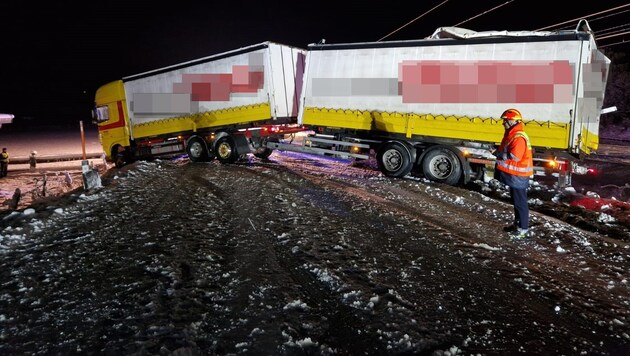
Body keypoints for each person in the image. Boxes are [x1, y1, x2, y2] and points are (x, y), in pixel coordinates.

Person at [494, 108, 534, 239]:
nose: (503, 123)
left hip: (518, 176)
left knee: (520, 203)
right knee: (517, 202)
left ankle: (523, 229)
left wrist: (497, 153)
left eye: (505, 121)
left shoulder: (518, 136)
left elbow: (515, 156)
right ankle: (518, 225)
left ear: (512, 121)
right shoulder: (513, 134)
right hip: (515, 176)